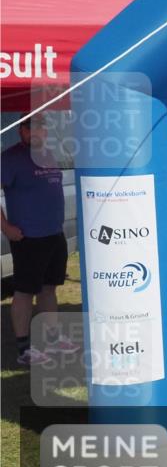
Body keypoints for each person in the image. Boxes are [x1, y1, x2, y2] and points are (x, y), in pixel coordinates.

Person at [1, 117, 80, 365]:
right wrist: (6, 228)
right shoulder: (10, 158)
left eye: (40, 128)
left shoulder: (49, 154)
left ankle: (53, 339)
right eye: (30, 128)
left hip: (54, 235)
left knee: (49, 289)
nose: (36, 132)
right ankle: (24, 349)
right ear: (21, 130)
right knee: (25, 291)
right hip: (28, 237)